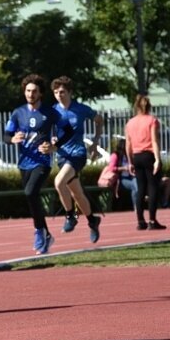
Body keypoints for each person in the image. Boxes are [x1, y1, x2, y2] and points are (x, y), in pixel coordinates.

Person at [4, 74, 72, 254]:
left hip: (42, 162)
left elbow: (68, 130)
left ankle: (38, 231)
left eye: (34, 91)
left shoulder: (50, 112)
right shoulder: (18, 113)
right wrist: (12, 139)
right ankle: (46, 233)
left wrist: (54, 146)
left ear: (40, 93)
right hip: (24, 162)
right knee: (30, 197)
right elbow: (5, 136)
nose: (30, 94)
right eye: (28, 91)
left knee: (30, 192)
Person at [51, 76, 103, 243]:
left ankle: (70, 216)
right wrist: (50, 140)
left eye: (62, 92)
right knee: (77, 194)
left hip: (78, 154)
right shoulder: (52, 111)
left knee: (59, 182)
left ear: (70, 92)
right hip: (62, 156)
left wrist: (95, 143)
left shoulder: (80, 109)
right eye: (56, 92)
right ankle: (92, 220)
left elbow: (99, 120)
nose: (59, 95)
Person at [125, 94, 165, 230]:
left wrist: (130, 161)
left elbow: (128, 144)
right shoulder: (152, 120)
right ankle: (152, 221)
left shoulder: (130, 123)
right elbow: (154, 140)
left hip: (136, 156)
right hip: (149, 155)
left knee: (141, 188)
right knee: (153, 187)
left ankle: (140, 221)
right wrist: (158, 159)